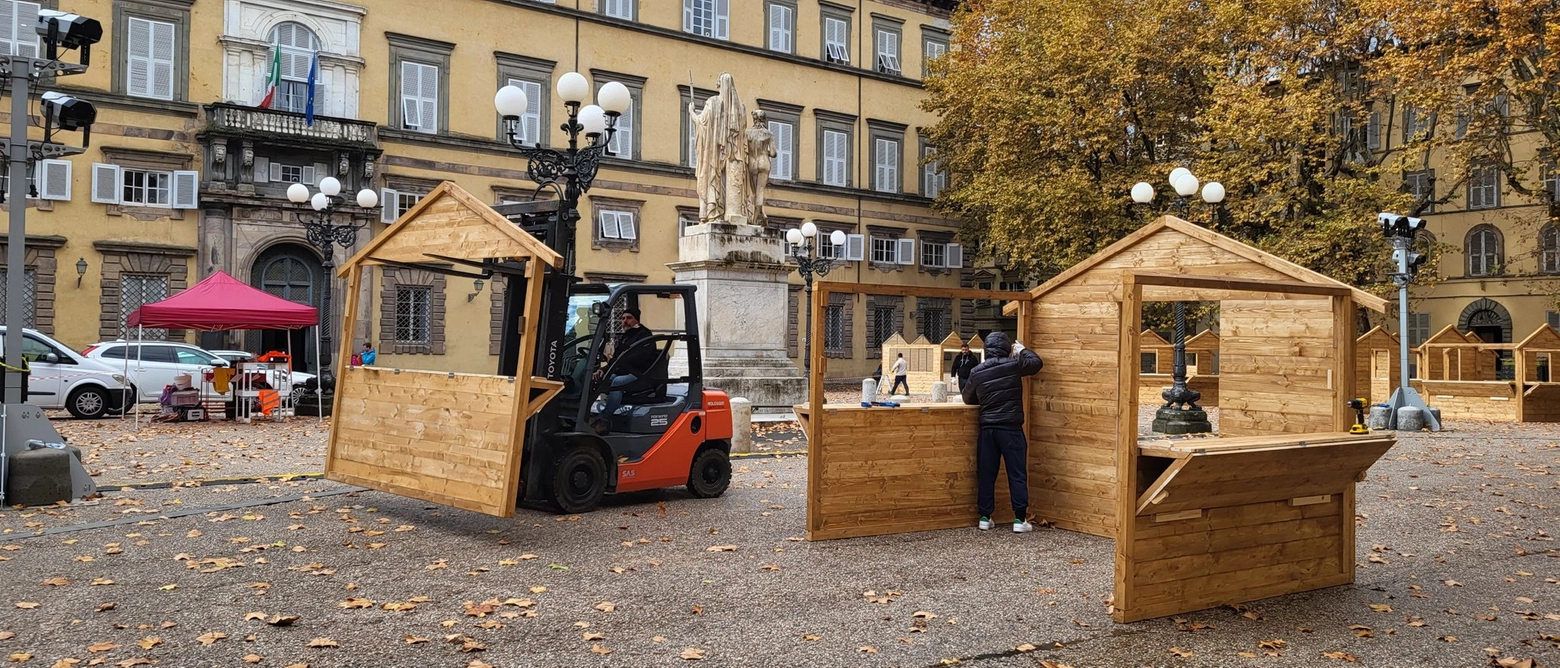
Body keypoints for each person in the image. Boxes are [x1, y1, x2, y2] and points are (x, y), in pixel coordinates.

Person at [961, 331, 1043, 533]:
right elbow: (1036, 363)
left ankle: (984, 517)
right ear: (1007, 348)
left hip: (988, 428)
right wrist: (1022, 350)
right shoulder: (1014, 365)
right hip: (1011, 428)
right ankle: (1019, 519)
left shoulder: (977, 371)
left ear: (986, 350)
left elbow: (967, 398)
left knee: (986, 473)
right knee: (1016, 473)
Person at [595, 309, 659, 431]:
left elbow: (639, 357)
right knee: (601, 379)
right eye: (623, 318)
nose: (625, 321)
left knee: (617, 382)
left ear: (636, 319)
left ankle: (604, 418)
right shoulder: (625, 336)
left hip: (639, 373)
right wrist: (603, 370)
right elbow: (616, 359)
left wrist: (619, 364)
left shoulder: (644, 335)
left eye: (629, 318)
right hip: (625, 370)